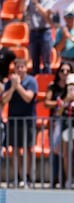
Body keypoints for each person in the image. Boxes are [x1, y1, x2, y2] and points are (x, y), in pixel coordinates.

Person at [1, 58, 38, 188]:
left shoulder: (31, 81)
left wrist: (18, 87)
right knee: (15, 149)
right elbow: (4, 99)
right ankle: (17, 176)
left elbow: (28, 98)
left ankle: (26, 177)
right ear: (15, 69)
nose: (20, 69)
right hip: (13, 120)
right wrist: (12, 88)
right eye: (18, 67)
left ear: (26, 68)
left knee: (27, 149)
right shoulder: (10, 82)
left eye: (22, 67)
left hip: (27, 120)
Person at [44, 62, 74, 188]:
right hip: (56, 122)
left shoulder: (73, 87)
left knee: (67, 153)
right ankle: (55, 178)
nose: (65, 73)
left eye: (68, 70)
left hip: (70, 123)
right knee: (56, 150)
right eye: (62, 70)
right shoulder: (53, 86)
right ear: (58, 72)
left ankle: (65, 178)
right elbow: (46, 103)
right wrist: (62, 102)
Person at [55, 73, 74, 189]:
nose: (71, 89)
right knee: (66, 154)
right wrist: (66, 100)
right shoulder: (61, 99)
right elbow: (58, 113)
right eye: (70, 86)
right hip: (65, 128)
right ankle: (68, 179)